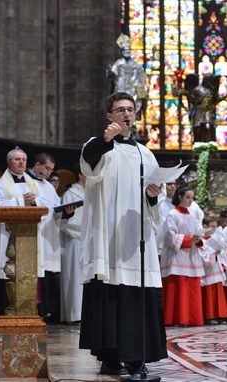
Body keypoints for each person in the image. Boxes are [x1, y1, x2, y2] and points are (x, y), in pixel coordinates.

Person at [79, 92, 166, 376]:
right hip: (109, 237)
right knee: (110, 292)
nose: (126, 115)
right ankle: (110, 357)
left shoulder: (146, 154)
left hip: (136, 238)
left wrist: (153, 195)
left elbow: (156, 203)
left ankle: (136, 356)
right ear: (109, 115)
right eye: (120, 110)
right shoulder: (98, 147)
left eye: (130, 110)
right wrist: (106, 139)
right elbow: (89, 167)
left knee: (136, 294)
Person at [0, 148, 41, 315]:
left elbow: (42, 206)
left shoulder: (32, 183)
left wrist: (34, 202)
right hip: (7, 234)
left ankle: (24, 312)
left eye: (24, 160)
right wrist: (21, 200)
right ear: (9, 162)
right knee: (5, 274)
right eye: (17, 159)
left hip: (27, 235)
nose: (21, 162)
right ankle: (3, 312)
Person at [27, 152, 65, 324]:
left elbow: (56, 207)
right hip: (33, 235)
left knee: (47, 274)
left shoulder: (49, 187)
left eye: (51, 169)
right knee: (36, 272)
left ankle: (46, 311)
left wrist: (67, 212)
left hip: (48, 236)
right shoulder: (26, 182)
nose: (50, 172)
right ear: (37, 165)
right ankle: (36, 309)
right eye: (47, 168)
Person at [160, 185, 205, 326]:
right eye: (187, 197)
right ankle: (176, 319)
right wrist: (188, 240)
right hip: (177, 257)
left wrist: (199, 239)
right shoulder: (173, 214)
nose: (190, 201)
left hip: (191, 256)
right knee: (178, 289)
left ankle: (192, 318)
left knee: (191, 288)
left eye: (192, 198)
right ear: (179, 197)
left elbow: (198, 231)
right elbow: (170, 236)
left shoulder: (192, 216)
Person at [59, 165, 85, 323]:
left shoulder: (90, 193)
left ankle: (84, 313)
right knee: (74, 278)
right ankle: (74, 314)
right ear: (81, 175)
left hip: (87, 241)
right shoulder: (71, 194)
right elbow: (65, 220)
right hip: (74, 241)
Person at [200, 216, 227, 325]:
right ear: (204, 226)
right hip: (207, 272)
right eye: (212, 227)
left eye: (215, 227)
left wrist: (223, 262)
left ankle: (220, 315)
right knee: (209, 295)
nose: (214, 229)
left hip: (216, 269)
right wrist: (213, 254)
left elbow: (223, 253)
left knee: (218, 293)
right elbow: (201, 256)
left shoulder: (216, 239)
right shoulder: (200, 240)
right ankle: (209, 316)